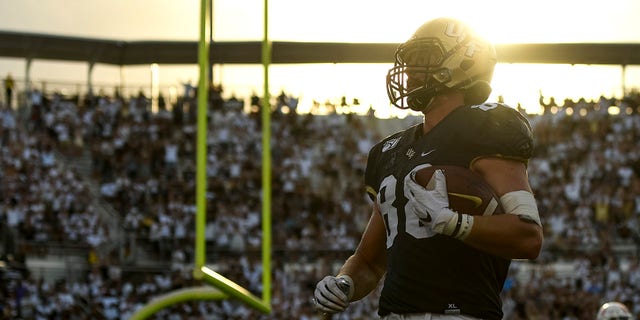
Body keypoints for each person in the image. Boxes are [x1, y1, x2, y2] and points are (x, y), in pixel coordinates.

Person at [313, 17, 544, 319]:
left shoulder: (487, 127)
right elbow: (370, 262)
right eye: (409, 61)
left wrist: (454, 223)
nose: (409, 71)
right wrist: (344, 282)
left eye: (423, 59)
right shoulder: (388, 151)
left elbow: (528, 236)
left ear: (464, 62)